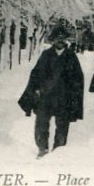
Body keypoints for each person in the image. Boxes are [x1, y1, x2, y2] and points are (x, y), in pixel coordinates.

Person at [18, 22, 84, 158]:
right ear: (52, 40)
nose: (59, 41)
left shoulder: (71, 56)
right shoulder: (46, 55)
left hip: (63, 98)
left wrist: (74, 98)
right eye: (57, 38)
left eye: (62, 38)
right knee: (41, 124)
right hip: (45, 97)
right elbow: (35, 74)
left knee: (62, 126)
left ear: (65, 40)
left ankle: (58, 151)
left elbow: (78, 79)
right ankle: (42, 149)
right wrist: (34, 90)